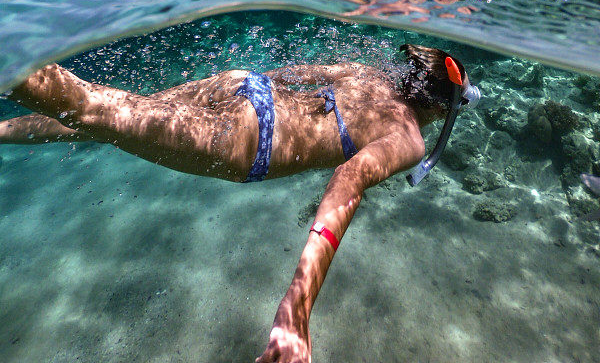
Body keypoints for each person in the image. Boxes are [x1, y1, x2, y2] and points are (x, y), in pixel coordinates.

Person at [2, 43, 480, 363]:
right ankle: (13, 46)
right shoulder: (409, 136)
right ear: (443, 106)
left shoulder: (369, 75)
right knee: (94, 108)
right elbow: (350, 178)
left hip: (245, 85)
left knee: (100, 118)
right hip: (247, 140)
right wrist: (298, 306)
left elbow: (295, 75)